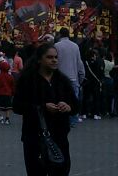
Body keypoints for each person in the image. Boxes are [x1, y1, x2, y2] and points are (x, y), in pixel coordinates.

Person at [14, 43, 78, 176]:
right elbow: (17, 106)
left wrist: (68, 106)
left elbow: (76, 105)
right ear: (39, 59)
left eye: (56, 57)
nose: (54, 60)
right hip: (34, 137)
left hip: (59, 136)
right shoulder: (28, 80)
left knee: (61, 171)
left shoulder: (62, 81)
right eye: (49, 57)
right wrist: (42, 107)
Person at [54, 28, 85, 126]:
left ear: (60, 35)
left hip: (59, 78)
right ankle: (73, 120)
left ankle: (60, 119)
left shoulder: (56, 46)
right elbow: (79, 63)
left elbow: (54, 62)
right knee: (73, 99)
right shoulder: (75, 46)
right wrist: (81, 77)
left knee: (59, 98)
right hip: (73, 78)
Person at [82, 48, 104, 120]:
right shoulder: (100, 61)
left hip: (87, 82)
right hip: (96, 82)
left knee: (86, 97)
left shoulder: (85, 62)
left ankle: (84, 113)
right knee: (96, 98)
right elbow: (101, 72)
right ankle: (95, 113)